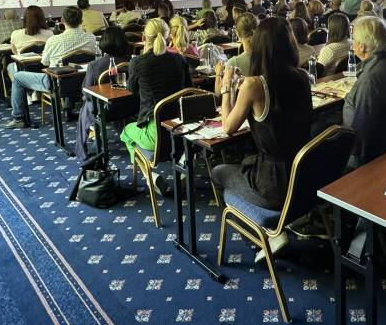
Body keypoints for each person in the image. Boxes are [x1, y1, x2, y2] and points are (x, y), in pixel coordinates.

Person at [211, 17, 313, 259]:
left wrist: (226, 87)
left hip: (272, 185)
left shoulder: (254, 85)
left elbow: (227, 127)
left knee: (218, 172)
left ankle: (269, 232)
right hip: (302, 178)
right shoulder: (302, 77)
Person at [120, 18, 193, 190]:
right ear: (168, 37)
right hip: (182, 130)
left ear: (144, 38)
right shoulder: (179, 59)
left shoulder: (138, 63)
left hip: (156, 136)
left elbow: (132, 90)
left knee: (126, 132)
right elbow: (189, 89)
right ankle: (184, 162)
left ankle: (149, 176)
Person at [0, 6, 99, 129]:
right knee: (73, 70)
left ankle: (19, 117)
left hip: (56, 84)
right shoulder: (91, 37)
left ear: (62, 20)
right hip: (84, 82)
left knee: (18, 77)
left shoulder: (54, 40)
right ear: (81, 20)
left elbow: (45, 61)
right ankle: (68, 109)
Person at [343, 16, 386, 166]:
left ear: (361, 46)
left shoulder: (370, 79)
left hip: (370, 150)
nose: (352, 43)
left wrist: (350, 166)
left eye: (353, 39)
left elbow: (362, 130)